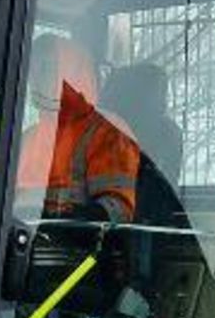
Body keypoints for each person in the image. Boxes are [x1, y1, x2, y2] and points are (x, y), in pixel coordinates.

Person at [13, 34, 139, 224]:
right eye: (33, 70)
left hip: (83, 251)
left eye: (45, 69)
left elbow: (115, 212)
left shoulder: (108, 132)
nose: (35, 79)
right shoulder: (28, 138)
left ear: (69, 73)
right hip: (19, 245)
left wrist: (50, 215)